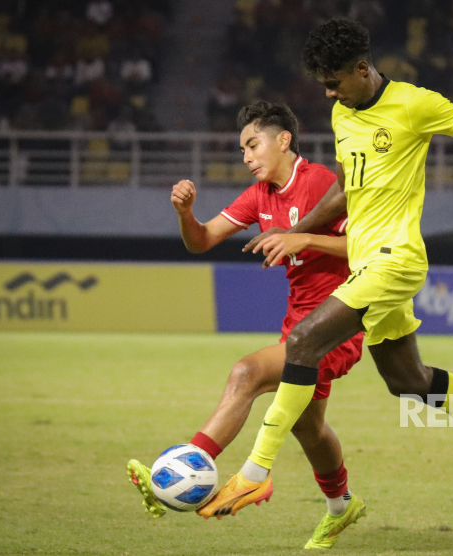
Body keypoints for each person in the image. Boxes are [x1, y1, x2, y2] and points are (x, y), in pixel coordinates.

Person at [199, 18, 453, 522]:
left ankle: (253, 476)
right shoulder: (343, 114)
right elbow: (347, 188)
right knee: (407, 379)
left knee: (301, 343)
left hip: (397, 259)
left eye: (335, 80)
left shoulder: (414, 104)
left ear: (362, 68)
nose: (328, 91)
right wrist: (301, 232)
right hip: (367, 260)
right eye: (323, 82)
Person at [126, 101, 366, 549]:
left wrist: (305, 237)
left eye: (253, 145)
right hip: (299, 324)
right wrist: (186, 213)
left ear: (283, 140)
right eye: (242, 150)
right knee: (308, 428)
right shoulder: (259, 197)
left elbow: (365, 248)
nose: (246, 157)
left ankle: (186, 467)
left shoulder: (322, 183)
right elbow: (201, 241)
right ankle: (341, 507)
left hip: (340, 321)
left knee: (247, 373)